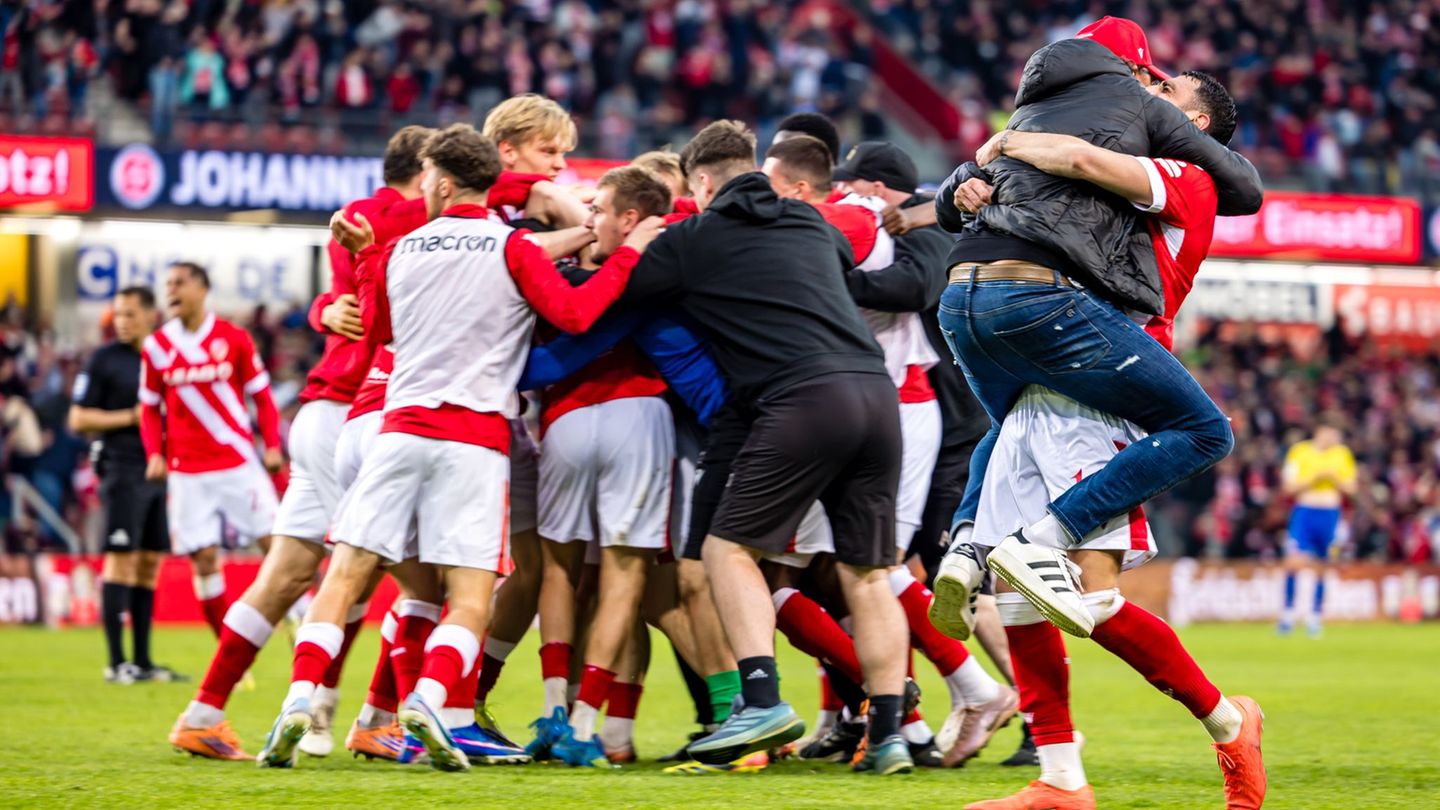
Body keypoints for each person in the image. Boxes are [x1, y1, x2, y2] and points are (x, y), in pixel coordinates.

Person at [255, 123, 663, 772]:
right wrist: (628, 253)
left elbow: (378, 335)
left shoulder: (400, 249)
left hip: (399, 430)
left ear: (441, 182)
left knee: (346, 577)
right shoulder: (514, 250)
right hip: (475, 443)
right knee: (471, 597)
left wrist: (362, 261)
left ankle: (300, 701)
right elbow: (578, 317)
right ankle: (434, 700)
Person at [932, 70, 1266, 810]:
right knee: (1020, 595)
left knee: (1089, 593)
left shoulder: (1186, 172)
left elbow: (1084, 162)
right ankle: (1059, 778)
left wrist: (1003, 145)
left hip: (1105, 371)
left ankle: (1229, 722)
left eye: (1168, 95)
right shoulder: (1117, 166)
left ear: (1198, 122)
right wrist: (970, 186)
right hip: (1056, 358)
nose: (1146, 101)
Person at [619, 120, 912, 775]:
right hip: (876, 395)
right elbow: (838, 258)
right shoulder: (811, 224)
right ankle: (890, 735)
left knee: (727, 549)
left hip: (801, 399)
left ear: (699, 182)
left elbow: (624, 294)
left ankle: (761, 698)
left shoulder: (692, 238)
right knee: (867, 573)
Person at [166, 127, 434, 762]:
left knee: (285, 574)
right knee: (424, 584)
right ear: (428, 172)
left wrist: (322, 309)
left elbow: (346, 300)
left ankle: (203, 712)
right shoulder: (404, 216)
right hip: (362, 410)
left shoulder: (363, 220)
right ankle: (361, 717)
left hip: (320, 412)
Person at [526, 166, 677, 768]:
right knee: (624, 576)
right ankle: (589, 725)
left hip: (564, 416)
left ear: (627, 217)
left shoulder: (559, 270)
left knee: (559, 569)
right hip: (641, 413)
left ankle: (553, 707)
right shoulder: (664, 263)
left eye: (599, 210)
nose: (590, 219)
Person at [139, 261, 282, 649]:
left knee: (278, 547)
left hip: (237, 462)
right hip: (186, 471)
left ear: (202, 289)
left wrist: (271, 444)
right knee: (202, 560)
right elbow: (150, 407)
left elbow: (263, 397)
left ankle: (300, 626)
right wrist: (155, 453)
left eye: (180, 283)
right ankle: (229, 650)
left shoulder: (233, 338)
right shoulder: (156, 346)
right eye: (167, 283)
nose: (172, 290)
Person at [69, 286, 182, 685]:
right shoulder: (104, 360)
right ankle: (117, 663)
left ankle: (144, 661)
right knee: (121, 560)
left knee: (150, 564)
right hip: (121, 470)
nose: (122, 322)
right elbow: (78, 419)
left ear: (150, 315)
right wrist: (131, 417)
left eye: (130, 314)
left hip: (158, 472)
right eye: (118, 314)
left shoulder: (165, 355)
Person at [1278, 419, 1356, 637]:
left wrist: (1333, 477)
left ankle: (1315, 616)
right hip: (1305, 511)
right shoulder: (1300, 452)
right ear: (1319, 431)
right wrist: (1315, 478)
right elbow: (1289, 487)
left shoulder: (1342, 454)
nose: (1332, 438)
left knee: (1324, 564)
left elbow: (1351, 488)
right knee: (1293, 562)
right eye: (1329, 433)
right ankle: (1288, 614)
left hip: (1330, 513)